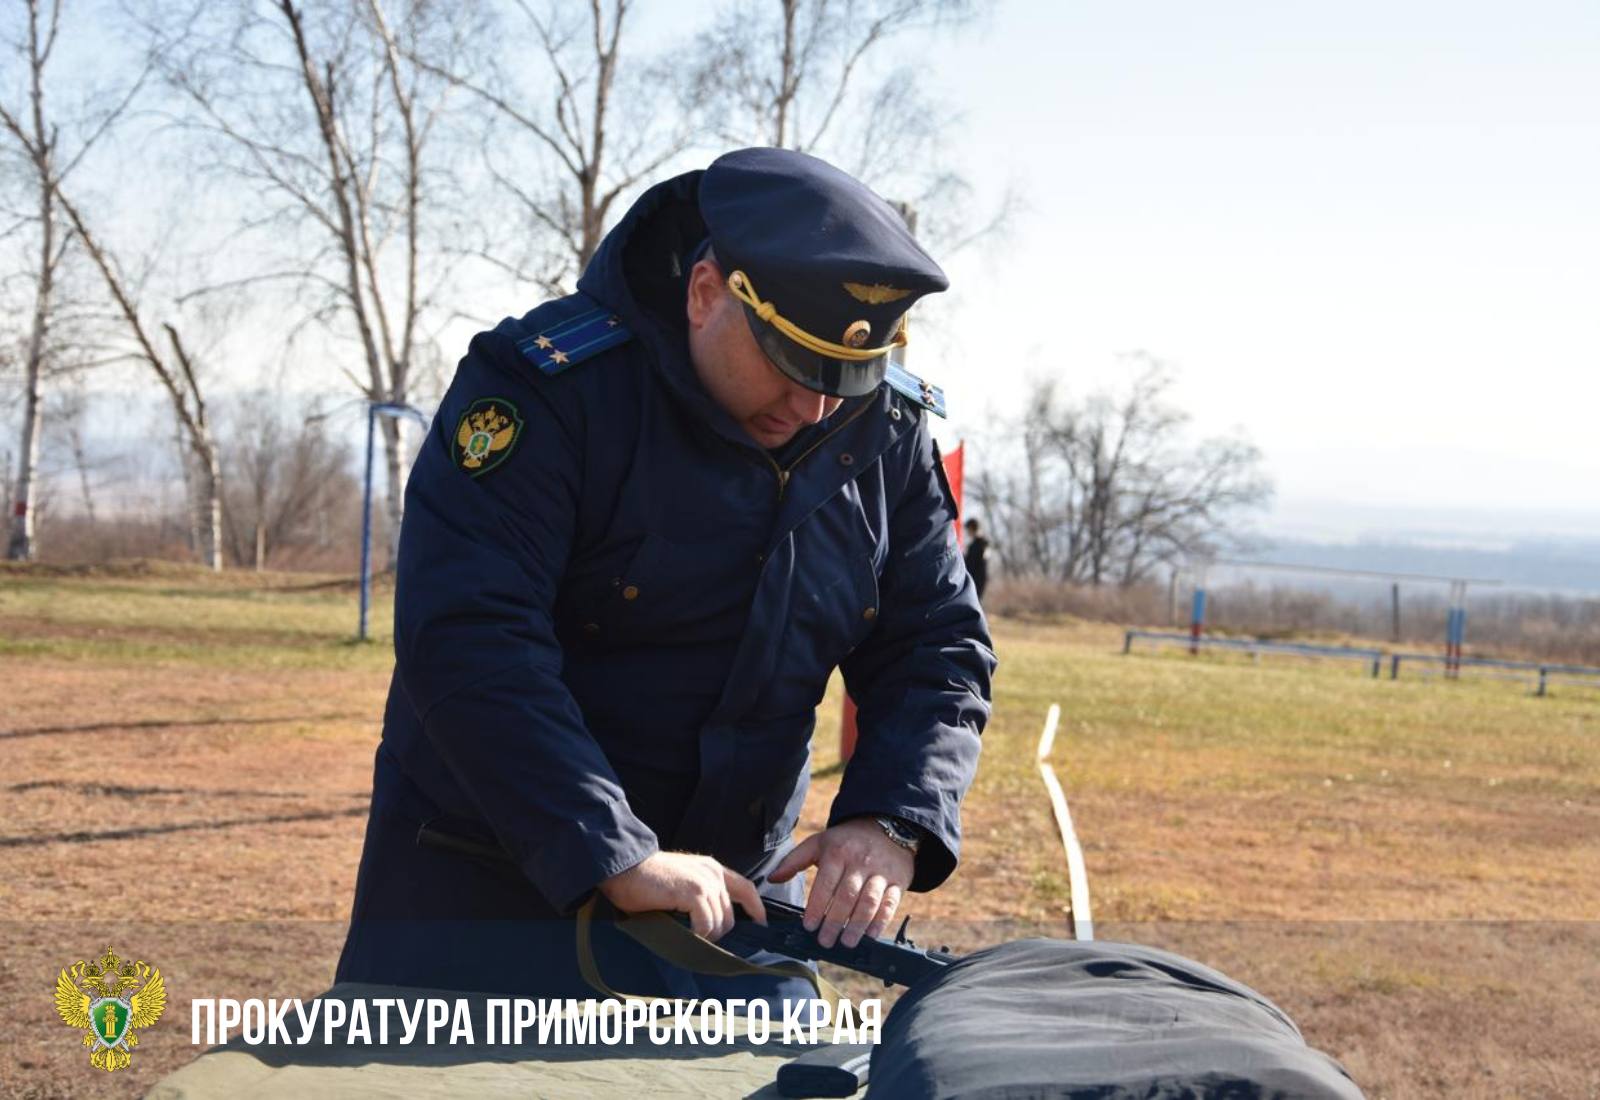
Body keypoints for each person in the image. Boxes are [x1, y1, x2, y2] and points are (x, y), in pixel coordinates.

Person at [334, 148, 996, 1006]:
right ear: (706, 292)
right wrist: (616, 852)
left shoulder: (885, 431)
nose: (816, 410)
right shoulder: (545, 393)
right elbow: (470, 636)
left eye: (848, 379)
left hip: (737, 912)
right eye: (794, 367)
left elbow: (937, 643)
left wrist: (893, 817)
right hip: (491, 895)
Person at [963, 518, 991, 601]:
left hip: (978, 579)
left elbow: (982, 562)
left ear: (972, 528)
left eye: (968, 529)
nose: (968, 532)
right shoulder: (972, 545)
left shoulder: (984, 544)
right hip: (972, 578)